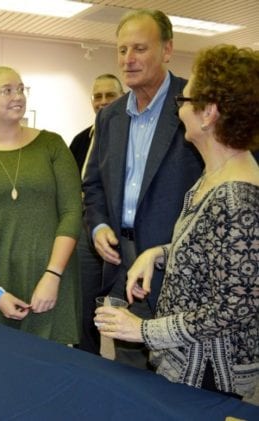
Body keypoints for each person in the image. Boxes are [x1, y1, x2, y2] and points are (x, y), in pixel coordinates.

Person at [96, 44, 258, 399]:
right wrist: (157, 254)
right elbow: (213, 250)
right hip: (186, 364)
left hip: (211, 374)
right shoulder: (214, 175)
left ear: (208, 113)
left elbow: (233, 308)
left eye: (184, 100)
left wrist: (143, 330)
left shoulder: (237, 196)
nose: (179, 108)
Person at [82, 9, 203, 368]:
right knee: (129, 369)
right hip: (122, 262)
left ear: (167, 50)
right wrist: (99, 225)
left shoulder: (195, 103)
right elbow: (93, 185)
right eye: (121, 50)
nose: (128, 60)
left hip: (177, 264)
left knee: (179, 373)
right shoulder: (110, 116)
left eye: (139, 48)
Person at [0, 66, 82, 344]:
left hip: (49, 281)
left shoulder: (52, 145)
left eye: (21, 89)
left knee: (53, 370)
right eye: (7, 90)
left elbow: (71, 213)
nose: (17, 96)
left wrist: (53, 275)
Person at [71, 73, 124, 355]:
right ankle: (88, 357)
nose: (103, 102)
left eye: (110, 95)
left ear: (122, 96)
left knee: (120, 303)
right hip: (85, 229)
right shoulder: (80, 140)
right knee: (85, 300)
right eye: (98, 96)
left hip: (118, 230)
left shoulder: (127, 137)